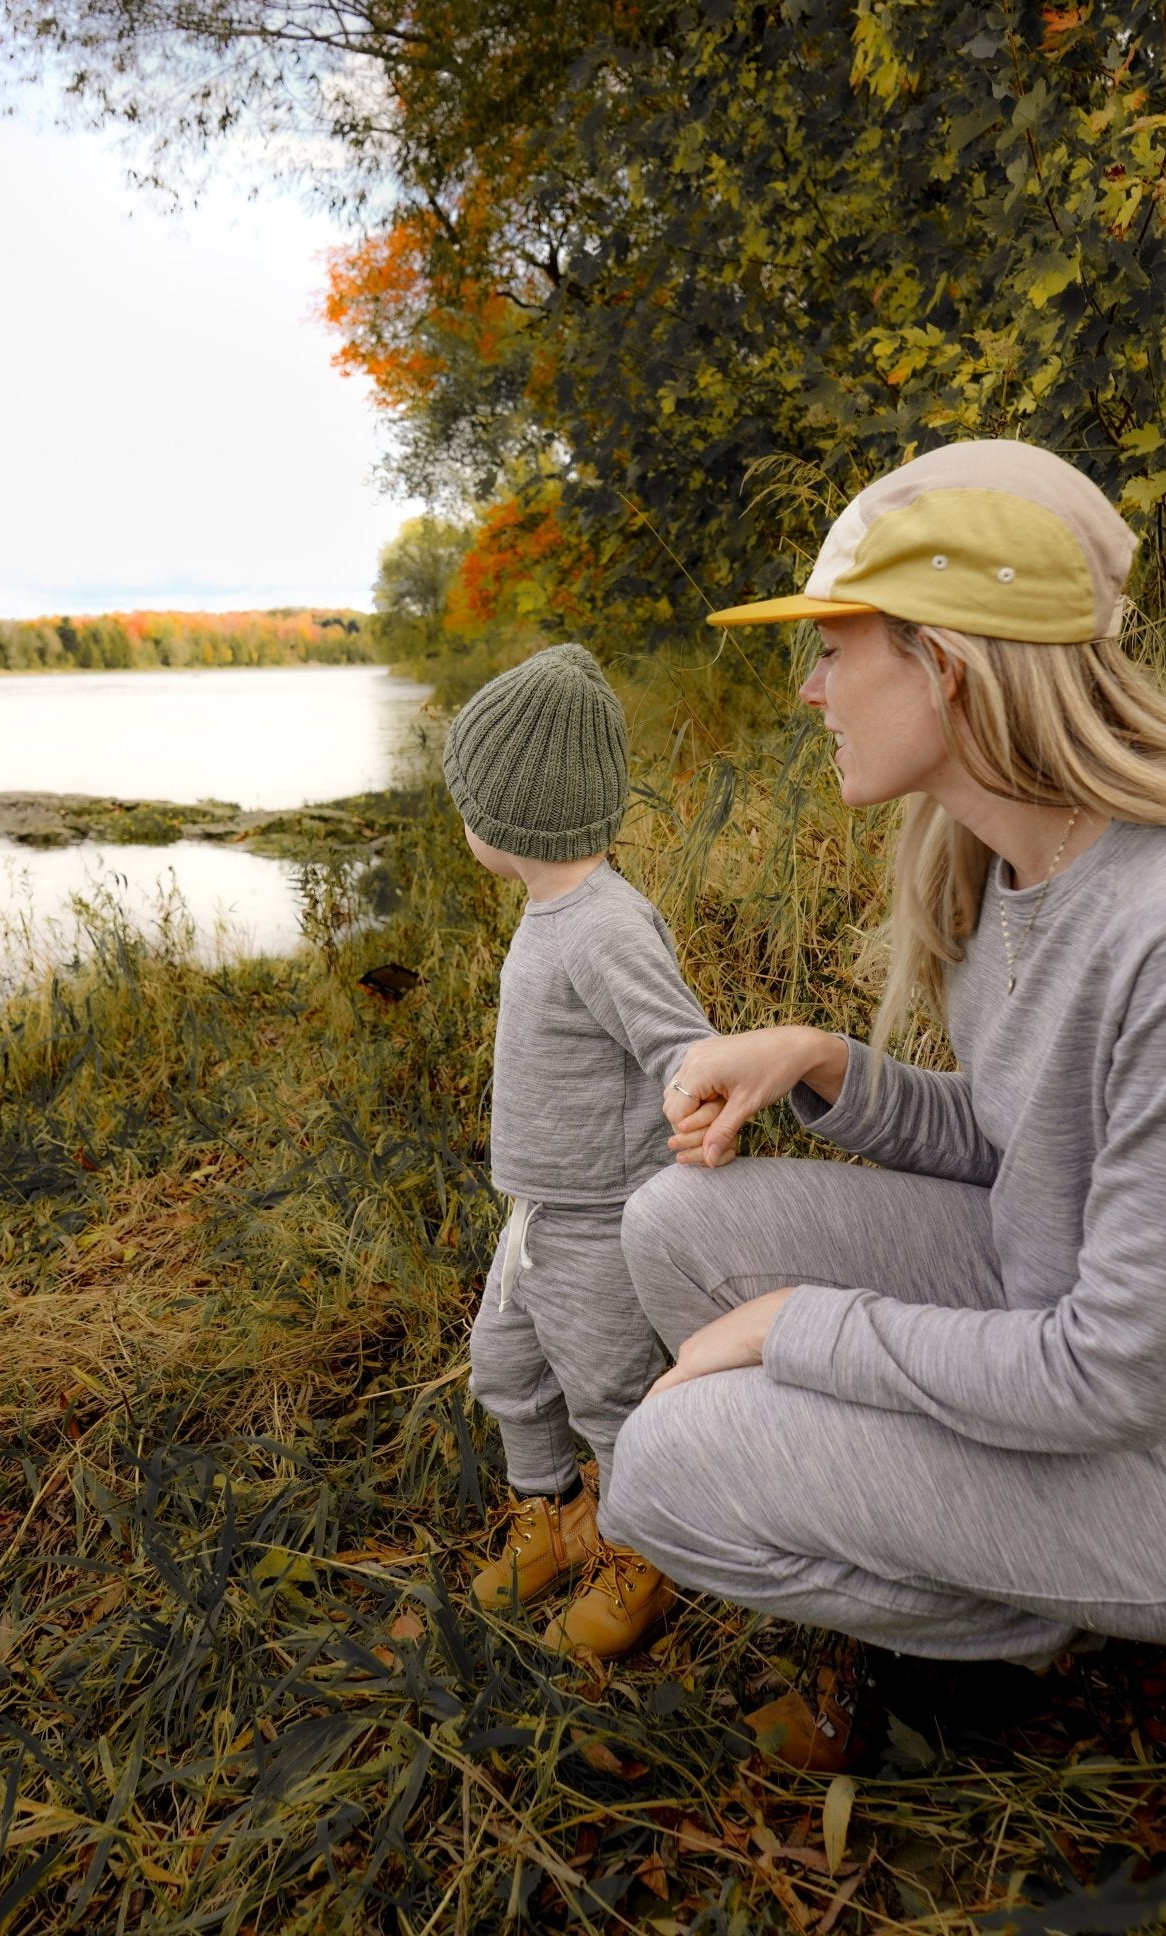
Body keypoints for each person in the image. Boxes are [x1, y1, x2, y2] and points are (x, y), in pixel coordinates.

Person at [599, 439, 1166, 1761]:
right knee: (670, 1226)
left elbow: (1112, 1378)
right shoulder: (1012, 862)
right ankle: (994, 1599)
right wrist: (820, 1062)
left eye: (833, 649)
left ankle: (1020, 1660)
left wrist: (796, 1328)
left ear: (943, 662)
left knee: (669, 1468)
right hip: (1067, 1330)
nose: (808, 691)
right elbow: (1030, 1144)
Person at [444, 642, 722, 1658]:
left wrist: (701, 1108)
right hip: (539, 1211)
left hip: (603, 1214)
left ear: (511, 816)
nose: (463, 818)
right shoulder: (548, 908)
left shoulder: (603, 925)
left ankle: (640, 1552)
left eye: (470, 800)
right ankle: (551, 1513)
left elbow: (680, 1039)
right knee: (508, 1363)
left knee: (607, 1385)